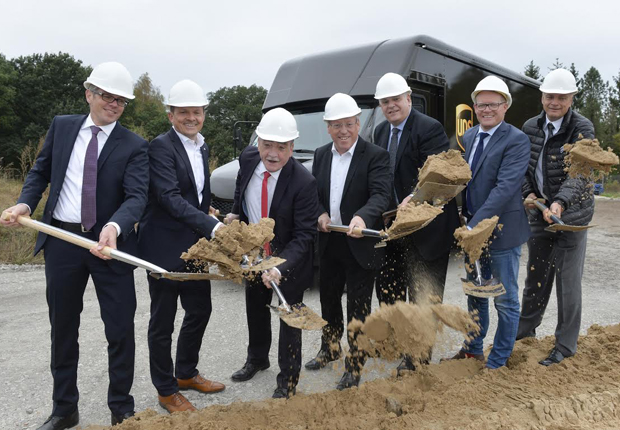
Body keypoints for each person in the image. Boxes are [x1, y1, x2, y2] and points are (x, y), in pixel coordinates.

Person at [0, 62, 148, 429]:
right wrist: (24, 203)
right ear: (89, 94)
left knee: (119, 329)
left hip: (107, 246)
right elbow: (40, 171)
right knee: (63, 328)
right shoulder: (62, 126)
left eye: (121, 100)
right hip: (62, 242)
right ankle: (64, 408)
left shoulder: (134, 145)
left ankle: (122, 408)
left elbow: (137, 197)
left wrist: (114, 226)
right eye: (107, 96)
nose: (114, 105)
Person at [137, 80, 225, 413]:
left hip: (194, 244)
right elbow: (169, 198)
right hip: (163, 246)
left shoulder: (200, 146)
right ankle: (165, 389)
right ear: (171, 115)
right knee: (163, 320)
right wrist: (212, 226)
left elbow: (193, 194)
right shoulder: (160, 147)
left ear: (204, 113)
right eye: (184, 112)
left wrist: (208, 211)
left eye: (197, 111)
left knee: (200, 309)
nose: (191, 117)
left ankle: (186, 373)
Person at [225, 108, 318, 399]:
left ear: (292, 147)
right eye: (267, 145)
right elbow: (242, 186)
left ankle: (288, 379)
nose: (273, 154)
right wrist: (237, 214)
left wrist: (279, 267)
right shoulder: (248, 158)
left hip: (287, 259)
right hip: (253, 255)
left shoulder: (304, 183)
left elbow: (305, 236)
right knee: (255, 307)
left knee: (289, 317)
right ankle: (257, 358)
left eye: (281, 147)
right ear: (258, 143)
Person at [372, 72, 460, 374]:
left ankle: (418, 357)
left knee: (424, 292)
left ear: (408, 98)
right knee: (390, 288)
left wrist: (412, 197)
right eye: (385, 102)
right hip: (396, 229)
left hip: (428, 228)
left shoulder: (429, 128)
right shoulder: (381, 132)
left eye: (395, 99)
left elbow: (436, 177)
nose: (390, 106)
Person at [305, 93, 391, 390]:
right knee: (328, 299)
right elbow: (313, 194)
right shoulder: (320, 154)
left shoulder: (376, 155)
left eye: (349, 124)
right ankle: (330, 348)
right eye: (336, 125)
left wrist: (362, 218)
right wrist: (319, 213)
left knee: (358, 305)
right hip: (330, 240)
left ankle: (355, 362)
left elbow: (381, 194)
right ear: (328, 127)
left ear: (358, 123)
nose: (343, 131)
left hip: (359, 241)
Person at [444, 76, 530, 369]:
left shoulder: (517, 140)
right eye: (481, 104)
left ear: (505, 106)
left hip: (501, 233)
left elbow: (504, 189)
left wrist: (473, 226)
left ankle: (499, 360)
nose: (486, 110)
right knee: (475, 293)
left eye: (493, 104)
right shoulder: (468, 137)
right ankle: (472, 348)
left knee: (505, 300)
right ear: (475, 107)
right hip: (471, 232)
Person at [517, 69, 595, 366]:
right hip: (539, 212)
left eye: (562, 97)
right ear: (542, 97)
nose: (555, 102)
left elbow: (581, 171)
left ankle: (564, 346)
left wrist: (560, 203)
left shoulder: (582, 128)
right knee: (535, 275)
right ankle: (524, 334)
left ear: (571, 98)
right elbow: (524, 167)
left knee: (568, 281)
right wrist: (529, 194)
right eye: (550, 96)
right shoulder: (530, 126)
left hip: (572, 216)